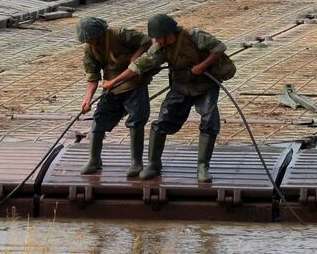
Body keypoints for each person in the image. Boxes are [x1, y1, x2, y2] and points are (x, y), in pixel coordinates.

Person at [107, 14, 236, 183]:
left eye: (159, 37)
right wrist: (114, 82)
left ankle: (202, 166)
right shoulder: (159, 47)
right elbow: (139, 65)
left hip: (206, 85)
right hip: (181, 86)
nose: (157, 41)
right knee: (163, 119)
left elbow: (219, 47)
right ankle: (154, 164)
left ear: (169, 33)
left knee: (210, 119)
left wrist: (200, 67)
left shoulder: (194, 35)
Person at [76, 17, 153, 177]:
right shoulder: (90, 50)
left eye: (92, 38)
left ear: (100, 34)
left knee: (136, 119)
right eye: (87, 40)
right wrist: (87, 99)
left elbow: (146, 41)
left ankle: (136, 162)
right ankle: (94, 159)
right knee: (99, 118)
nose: (90, 42)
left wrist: (136, 57)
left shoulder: (121, 35)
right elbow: (92, 76)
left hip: (134, 81)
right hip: (111, 86)